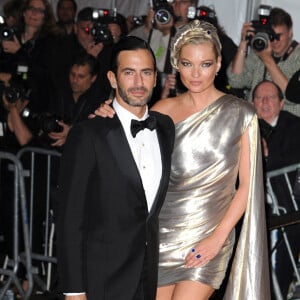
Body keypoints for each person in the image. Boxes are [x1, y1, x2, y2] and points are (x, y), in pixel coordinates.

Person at [95, 19, 270, 300]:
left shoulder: (241, 113)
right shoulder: (162, 110)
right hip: (162, 235)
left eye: (205, 64)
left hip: (211, 235)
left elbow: (247, 187)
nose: (196, 74)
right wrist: (111, 117)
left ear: (218, 63)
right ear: (177, 63)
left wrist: (217, 239)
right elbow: (132, 157)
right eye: (188, 64)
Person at [55, 36, 175, 300]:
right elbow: (69, 219)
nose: (138, 82)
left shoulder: (165, 128)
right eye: (128, 73)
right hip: (101, 281)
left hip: (148, 280)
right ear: (112, 78)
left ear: (156, 78)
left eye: (146, 73)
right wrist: (74, 291)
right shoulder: (89, 134)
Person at [252, 80, 300, 298]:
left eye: (270, 97)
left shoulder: (295, 126)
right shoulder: (245, 127)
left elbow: (291, 163)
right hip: (254, 207)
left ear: (281, 103)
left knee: (279, 263)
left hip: (288, 207)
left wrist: (266, 157)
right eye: (259, 98)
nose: (264, 102)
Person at [227, 7, 300, 117]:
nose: (275, 41)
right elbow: (235, 80)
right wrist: (243, 42)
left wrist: (267, 59)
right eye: (271, 35)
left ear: (290, 32)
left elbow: (293, 96)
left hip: (287, 128)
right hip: (255, 123)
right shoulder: (260, 51)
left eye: (279, 36)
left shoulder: (297, 57)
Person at [47, 54, 102, 148]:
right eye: (72, 74)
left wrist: (72, 133)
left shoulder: (99, 100)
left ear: (93, 78)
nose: (75, 80)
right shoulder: (60, 94)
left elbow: (96, 131)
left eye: (81, 76)